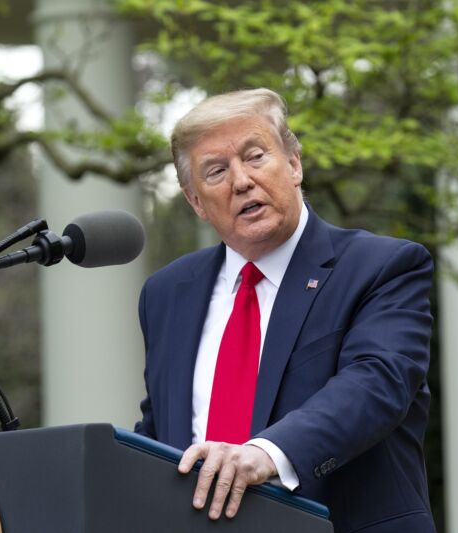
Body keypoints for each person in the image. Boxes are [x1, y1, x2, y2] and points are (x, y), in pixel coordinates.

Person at [134, 88, 436, 533]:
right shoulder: (166, 293)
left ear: (294, 164)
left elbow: (376, 383)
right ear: (195, 201)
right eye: (216, 171)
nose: (241, 181)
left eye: (255, 157)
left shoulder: (381, 267)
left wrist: (264, 454)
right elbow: (160, 433)